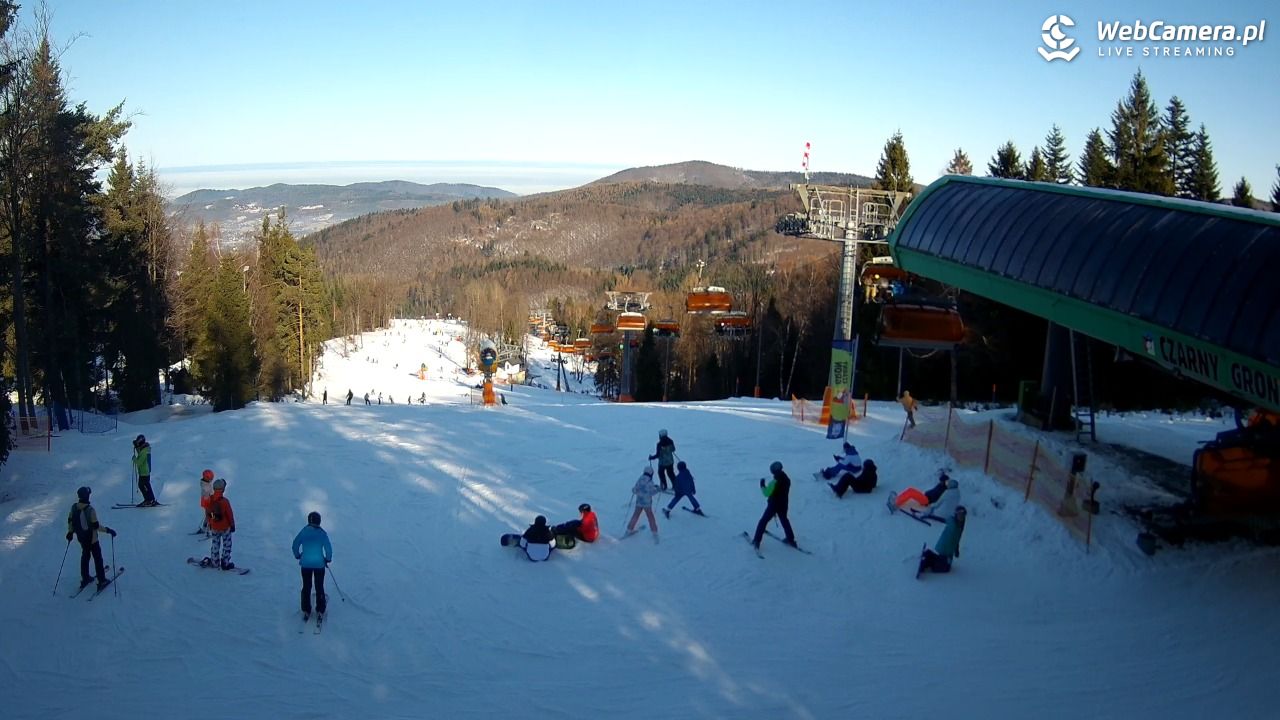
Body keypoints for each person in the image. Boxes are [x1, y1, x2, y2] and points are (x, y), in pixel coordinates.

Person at [66, 486, 116, 590]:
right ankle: (102, 580)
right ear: (87, 496)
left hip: (82, 538)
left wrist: (70, 532)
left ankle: (85, 578)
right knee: (98, 558)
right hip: (92, 540)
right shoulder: (90, 510)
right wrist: (108, 530)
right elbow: (96, 526)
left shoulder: (74, 507)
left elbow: (70, 521)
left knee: (85, 556)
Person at [292, 511, 333, 620]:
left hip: (305, 564)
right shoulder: (322, 533)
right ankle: (320, 609)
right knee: (319, 586)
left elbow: (295, 545)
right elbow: (328, 549)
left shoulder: (304, 532)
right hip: (319, 565)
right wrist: (327, 559)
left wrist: (298, 555)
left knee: (306, 586)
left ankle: (306, 609)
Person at [751, 461, 796, 549]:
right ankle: (791, 539)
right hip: (784, 504)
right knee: (784, 520)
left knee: (763, 521)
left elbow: (766, 493)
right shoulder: (787, 479)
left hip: (774, 505)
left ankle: (756, 540)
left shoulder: (774, 482)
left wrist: (762, 485)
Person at [200, 478, 237, 570]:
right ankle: (225, 562)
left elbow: (207, 513)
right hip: (225, 527)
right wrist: (232, 525)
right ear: (223, 489)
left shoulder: (209, 500)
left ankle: (215, 561)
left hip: (214, 527)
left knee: (215, 544)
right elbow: (229, 514)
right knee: (227, 545)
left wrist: (209, 523)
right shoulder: (225, 501)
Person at [918, 506, 967, 575]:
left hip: (950, 551)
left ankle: (929, 556)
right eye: (959, 515)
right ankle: (928, 559)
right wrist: (929, 516)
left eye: (963, 515)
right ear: (956, 514)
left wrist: (956, 550)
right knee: (940, 567)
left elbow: (958, 537)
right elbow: (941, 519)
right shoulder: (951, 521)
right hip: (944, 547)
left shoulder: (961, 525)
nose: (961, 517)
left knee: (946, 568)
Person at [625, 466, 660, 543]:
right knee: (650, 517)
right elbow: (652, 492)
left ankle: (629, 529)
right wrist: (657, 489)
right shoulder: (650, 482)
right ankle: (654, 532)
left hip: (639, 502)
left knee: (636, 515)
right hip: (647, 503)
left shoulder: (640, 479)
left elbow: (634, 490)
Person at [132, 434, 158, 506]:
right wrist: (137, 447)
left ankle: (148, 500)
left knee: (142, 485)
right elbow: (140, 452)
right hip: (145, 471)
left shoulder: (144, 451)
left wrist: (134, 459)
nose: (137, 443)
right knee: (146, 485)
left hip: (144, 472)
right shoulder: (145, 449)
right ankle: (151, 499)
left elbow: (139, 462)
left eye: (138, 442)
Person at [197, 469, 215, 535]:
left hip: (207, 501)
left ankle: (204, 528)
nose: (211, 480)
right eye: (210, 479)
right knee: (211, 516)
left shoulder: (206, 483)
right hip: (208, 502)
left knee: (208, 516)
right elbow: (209, 493)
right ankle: (209, 531)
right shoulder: (205, 486)